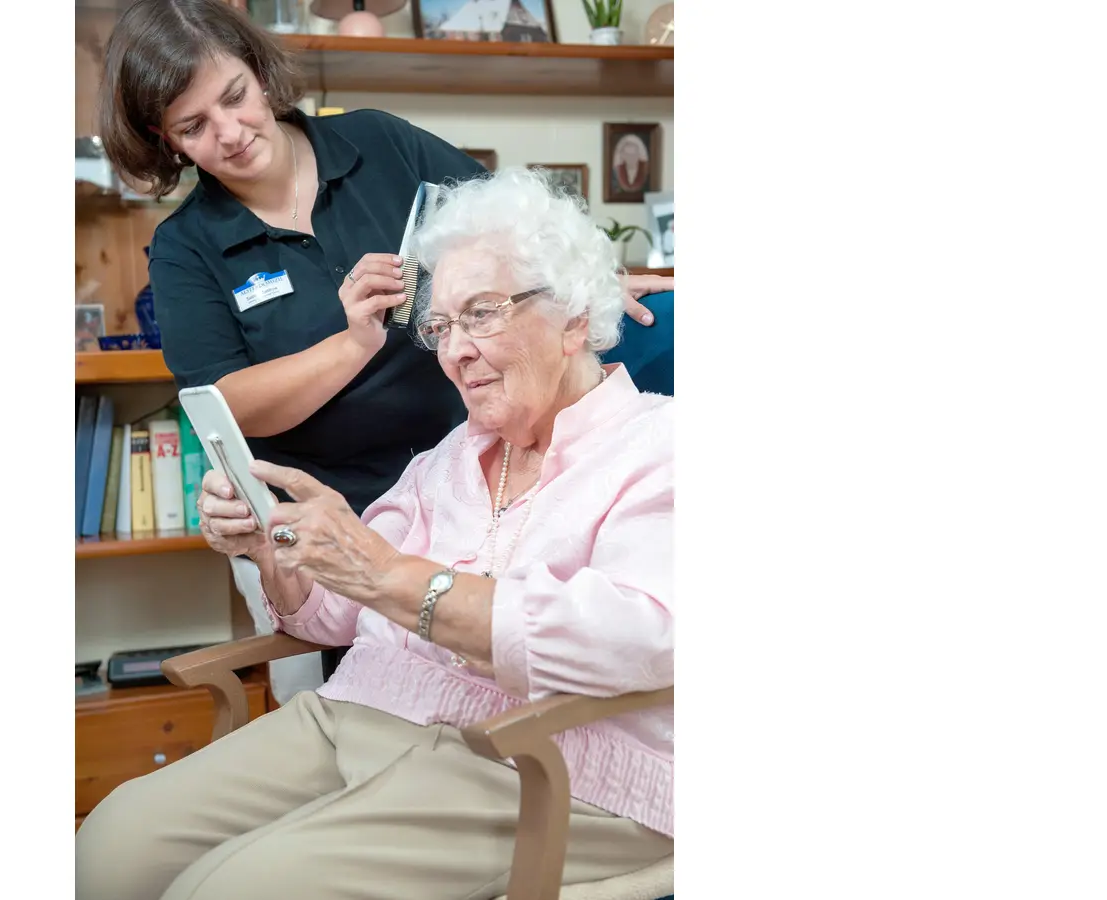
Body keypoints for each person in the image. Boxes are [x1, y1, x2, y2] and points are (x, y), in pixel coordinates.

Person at [76, 167, 674, 900]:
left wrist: (393, 576)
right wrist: (275, 544)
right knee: (108, 849)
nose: (453, 351)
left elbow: (642, 635)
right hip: (366, 714)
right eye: (440, 327)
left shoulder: (662, 448)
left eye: (481, 314)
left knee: (234, 890)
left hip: (537, 758)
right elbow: (329, 613)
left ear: (575, 317)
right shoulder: (448, 458)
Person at [97, 0, 672, 694]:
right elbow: (230, 407)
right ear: (166, 140)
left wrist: (585, 278)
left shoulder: (379, 143)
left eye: (235, 97)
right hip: (328, 518)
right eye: (194, 126)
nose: (232, 132)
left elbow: (513, 237)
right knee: (373, 692)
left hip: (471, 476)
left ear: (257, 71)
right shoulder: (187, 247)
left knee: (480, 688)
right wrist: (352, 343)